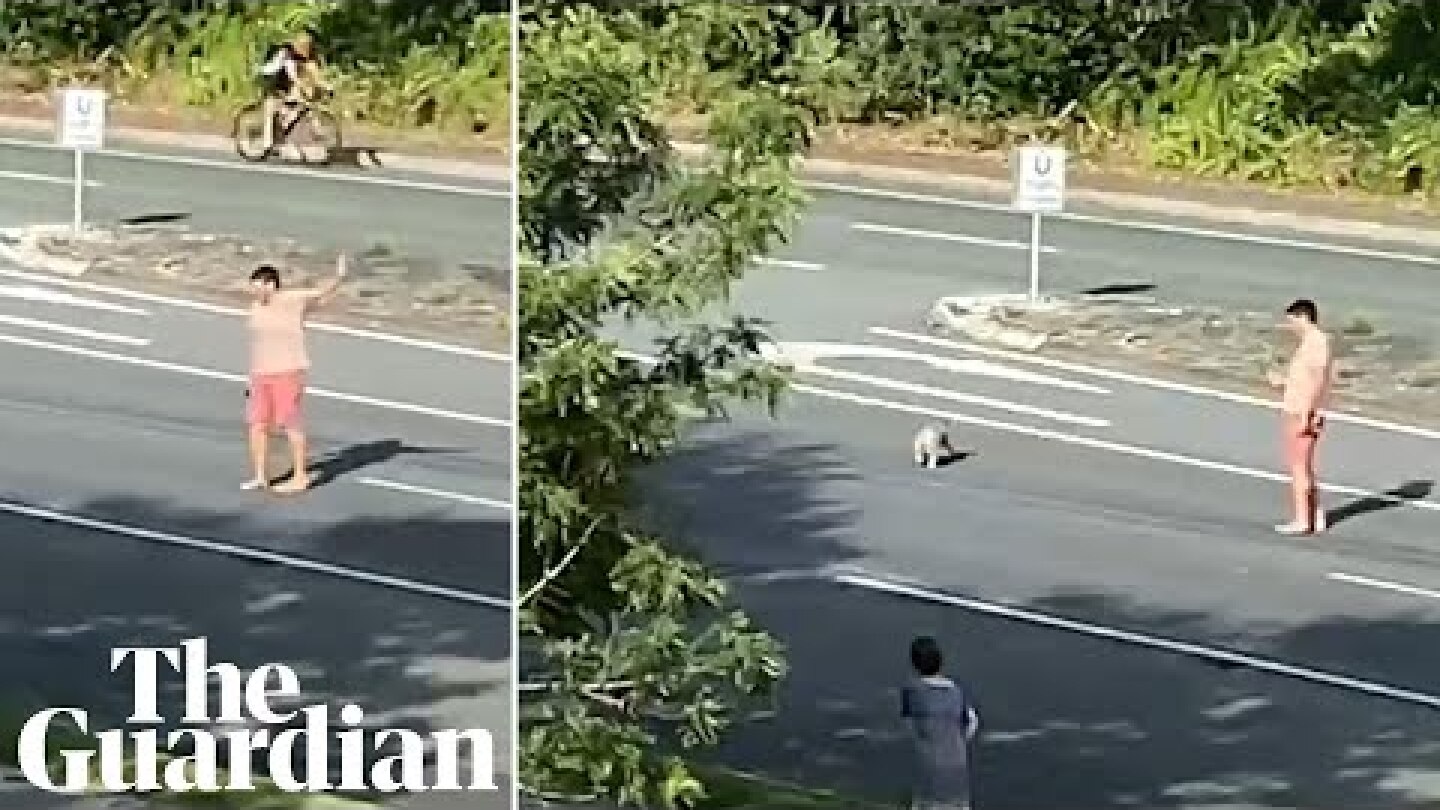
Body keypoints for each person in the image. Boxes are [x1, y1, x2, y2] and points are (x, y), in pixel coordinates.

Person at [244, 255, 347, 494]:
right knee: (257, 425)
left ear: (271, 284)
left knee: (290, 423)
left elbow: (320, 293)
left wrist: (339, 277)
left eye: (258, 287)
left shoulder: (291, 300)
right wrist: (252, 377)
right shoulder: (256, 308)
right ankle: (260, 475)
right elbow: (257, 344)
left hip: (287, 371)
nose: (255, 292)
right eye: (253, 287)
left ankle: (301, 477)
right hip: (261, 374)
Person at [1266, 298, 1334, 535]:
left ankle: (1303, 519)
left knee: (1299, 468)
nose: (1291, 326)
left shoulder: (1316, 342)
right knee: (1304, 466)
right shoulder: (1311, 342)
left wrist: (1306, 412)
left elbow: (1316, 381)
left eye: (1292, 320)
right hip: (1299, 408)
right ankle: (1314, 514)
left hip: (1301, 412)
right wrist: (1283, 382)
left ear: (1304, 317)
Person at [900, 636, 980, 810]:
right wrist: (956, 742)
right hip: (958, 764)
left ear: (914, 664)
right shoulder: (956, 691)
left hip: (930, 767)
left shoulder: (913, 691)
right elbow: (972, 721)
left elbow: (908, 722)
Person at [256, 31, 330, 153]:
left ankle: (314, 131)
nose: (305, 50)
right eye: (303, 47)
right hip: (274, 78)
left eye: (308, 47)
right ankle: (267, 141)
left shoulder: (310, 56)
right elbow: (292, 75)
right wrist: (300, 85)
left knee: (304, 104)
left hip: (289, 83)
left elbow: (315, 74)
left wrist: (326, 87)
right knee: (270, 109)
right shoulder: (287, 53)